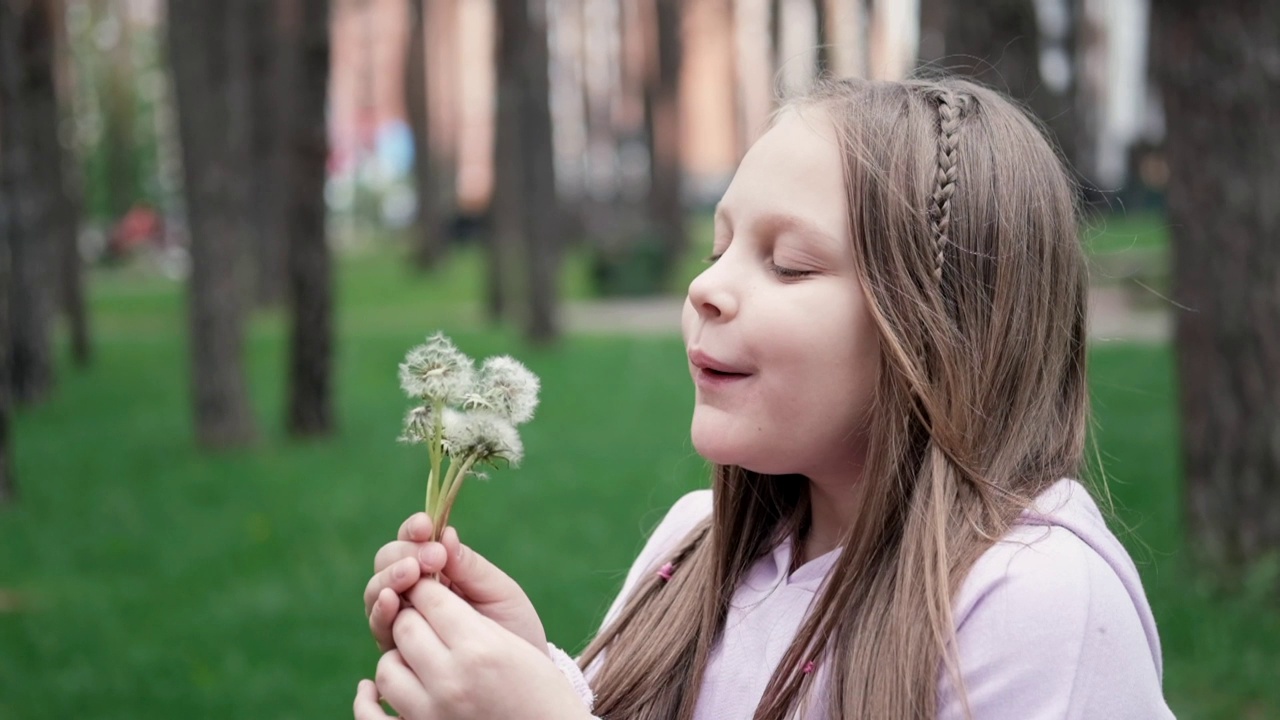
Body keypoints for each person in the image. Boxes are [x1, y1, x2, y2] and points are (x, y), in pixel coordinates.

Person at [353, 76, 1176, 720]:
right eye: (718, 247)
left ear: (941, 329)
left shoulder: (1036, 604)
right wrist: (525, 676)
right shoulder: (692, 553)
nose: (706, 287)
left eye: (787, 263)